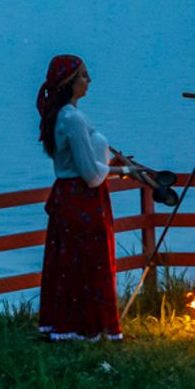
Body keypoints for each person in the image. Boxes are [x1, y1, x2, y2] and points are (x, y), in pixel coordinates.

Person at [36, 53, 127, 341]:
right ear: (70, 83)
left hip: (70, 197)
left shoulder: (65, 116)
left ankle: (70, 325)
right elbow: (90, 174)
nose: (89, 80)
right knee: (89, 262)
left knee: (71, 263)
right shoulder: (71, 119)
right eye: (84, 75)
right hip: (82, 198)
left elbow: (84, 161)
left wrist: (110, 165)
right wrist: (122, 170)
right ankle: (87, 328)